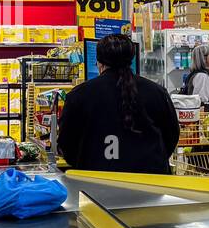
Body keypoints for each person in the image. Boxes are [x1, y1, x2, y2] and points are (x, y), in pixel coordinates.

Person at [58, 33, 179, 174]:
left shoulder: (79, 95)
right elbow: (171, 136)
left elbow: (66, 144)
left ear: (99, 62)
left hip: (95, 182)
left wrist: (86, 162)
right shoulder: (157, 92)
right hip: (150, 183)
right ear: (131, 59)